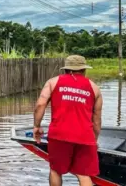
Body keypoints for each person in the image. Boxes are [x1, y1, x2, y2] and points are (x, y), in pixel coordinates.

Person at [33, 55, 103, 186]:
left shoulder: (53, 82)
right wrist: (94, 140)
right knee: (84, 174)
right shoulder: (95, 88)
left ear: (66, 69)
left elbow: (40, 104)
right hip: (85, 136)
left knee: (55, 170)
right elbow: (97, 120)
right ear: (84, 70)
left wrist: (37, 126)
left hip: (59, 135)